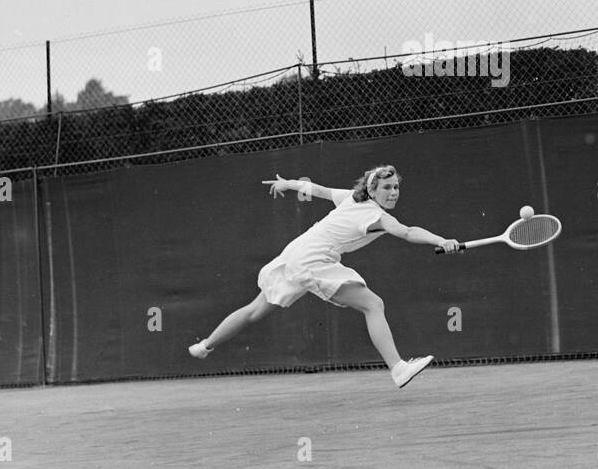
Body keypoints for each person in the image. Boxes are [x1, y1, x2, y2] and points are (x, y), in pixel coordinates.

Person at [189, 164, 459, 388]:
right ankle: (398, 368)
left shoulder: (350, 198)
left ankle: (205, 346)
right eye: (386, 187)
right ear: (372, 189)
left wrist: (288, 184)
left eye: (396, 187)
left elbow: (314, 189)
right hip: (312, 260)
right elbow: (408, 231)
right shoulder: (374, 214)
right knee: (373, 304)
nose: (393, 192)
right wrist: (442, 239)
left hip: (296, 253)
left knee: (255, 310)